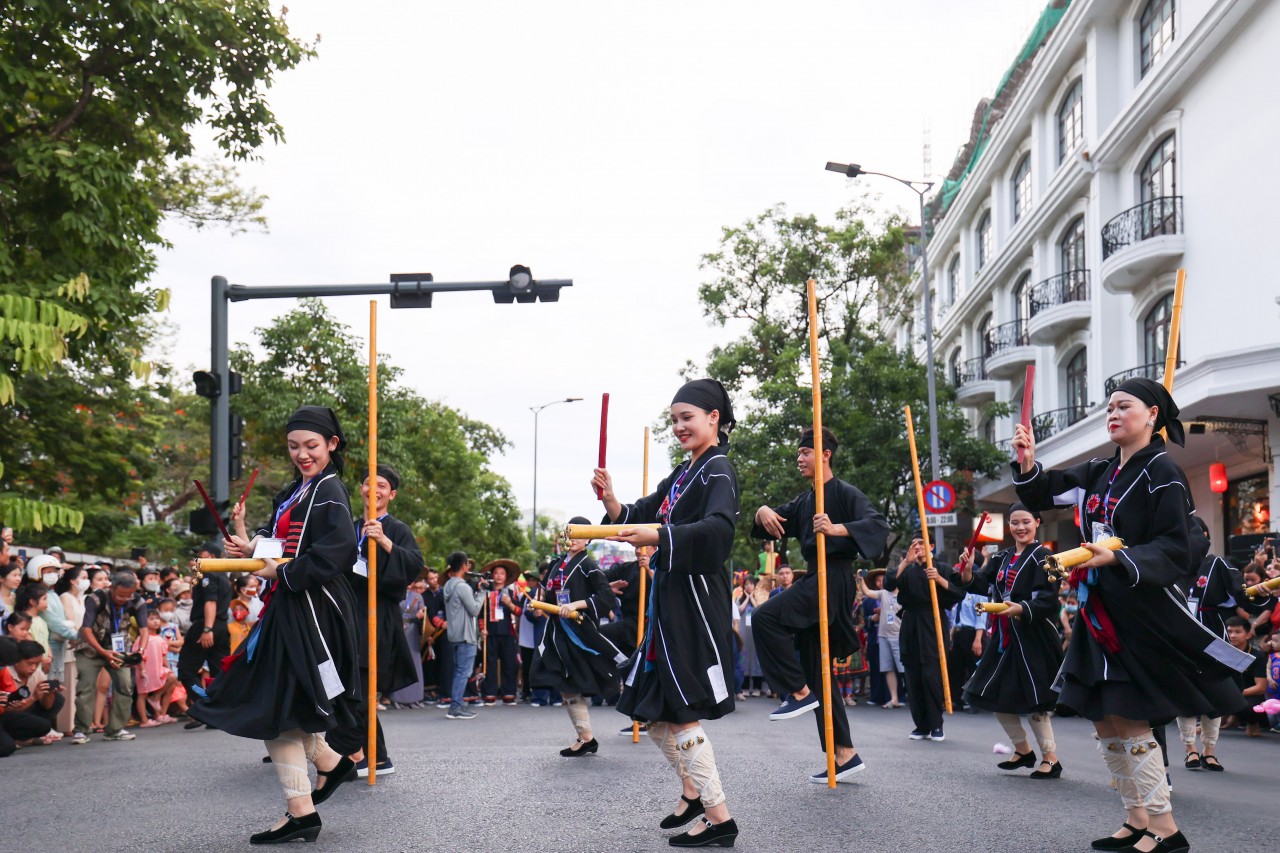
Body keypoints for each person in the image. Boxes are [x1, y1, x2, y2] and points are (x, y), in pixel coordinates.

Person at [1012, 378, 1253, 853]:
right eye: (1109, 407)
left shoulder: (1163, 471)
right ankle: (1136, 817)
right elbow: (1047, 490)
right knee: (1106, 719)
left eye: (1124, 406)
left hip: (1138, 611)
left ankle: (1166, 829)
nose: (1113, 413)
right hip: (1098, 610)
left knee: (1132, 718)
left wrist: (1118, 558)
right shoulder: (1101, 469)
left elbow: (1176, 545)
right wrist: (1027, 462)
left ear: (1153, 416)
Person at [189, 405, 363, 845]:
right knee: (281, 705)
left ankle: (308, 800)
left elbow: (340, 551)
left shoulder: (329, 491)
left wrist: (278, 572)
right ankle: (323, 773)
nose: (301, 454)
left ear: (331, 445)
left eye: (311, 446)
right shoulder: (297, 490)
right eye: (293, 446)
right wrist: (249, 547)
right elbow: (279, 543)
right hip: (290, 607)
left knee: (273, 706)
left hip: (310, 610)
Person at [592, 377, 741, 848]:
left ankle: (719, 817)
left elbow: (719, 532)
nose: (679, 426)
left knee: (682, 711)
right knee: (652, 709)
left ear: (713, 417)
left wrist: (659, 536)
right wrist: (613, 501)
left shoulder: (718, 469)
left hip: (695, 600)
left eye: (687, 418)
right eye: (674, 419)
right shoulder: (683, 473)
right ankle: (694, 791)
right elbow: (642, 512)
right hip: (668, 600)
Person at [750, 425, 890, 784]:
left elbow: (877, 525)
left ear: (825, 454)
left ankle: (796, 692)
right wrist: (762, 510)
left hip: (833, 579)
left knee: (765, 617)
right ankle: (844, 753)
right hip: (815, 578)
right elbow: (770, 523)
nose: (799, 458)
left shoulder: (845, 493)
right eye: (798, 453)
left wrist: (837, 528)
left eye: (805, 452)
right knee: (820, 677)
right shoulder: (804, 500)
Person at [326, 463, 424, 778]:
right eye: (369, 483)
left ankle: (363, 755)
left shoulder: (397, 528)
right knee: (345, 686)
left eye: (382, 485)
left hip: (377, 616)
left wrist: (384, 542)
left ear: (391, 494)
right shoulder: (349, 526)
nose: (375, 489)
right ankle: (371, 756)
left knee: (361, 688)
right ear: (362, 490)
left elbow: (413, 566)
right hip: (345, 615)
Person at [957, 503, 1063, 778]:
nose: (1020, 527)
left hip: (1033, 638)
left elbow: (1048, 600)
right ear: (1009, 527)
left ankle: (1050, 759)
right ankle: (1023, 750)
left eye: (1026, 521)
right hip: (1004, 638)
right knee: (986, 693)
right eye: (1015, 522)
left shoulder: (1045, 556)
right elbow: (978, 584)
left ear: (1037, 522)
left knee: (1036, 700)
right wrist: (968, 569)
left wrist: (1021, 608)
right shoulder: (1002, 557)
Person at [529, 518, 626, 754]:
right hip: (557, 632)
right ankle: (585, 737)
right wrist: (539, 603)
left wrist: (575, 605)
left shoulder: (588, 565)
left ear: (589, 538)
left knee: (610, 672)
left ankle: (648, 714)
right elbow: (549, 593)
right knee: (563, 682)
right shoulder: (557, 563)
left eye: (580, 535)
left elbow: (606, 598)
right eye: (571, 534)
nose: (574, 539)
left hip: (580, 631)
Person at [887, 538, 965, 742]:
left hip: (933, 621)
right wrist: (904, 562)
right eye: (914, 543)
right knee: (912, 677)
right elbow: (888, 584)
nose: (917, 547)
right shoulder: (908, 569)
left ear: (931, 547)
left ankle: (936, 725)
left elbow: (959, 593)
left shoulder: (942, 568)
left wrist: (939, 579)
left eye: (922, 543)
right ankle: (921, 725)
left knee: (931, 675)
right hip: (910, 622)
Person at [71, 571, 149, 744]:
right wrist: (102, 652)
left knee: (125, 686)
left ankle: (115, 729)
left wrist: (141, 649)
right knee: (86, 687)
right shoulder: (96, 598)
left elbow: (144, 630)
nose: (124, 599)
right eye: (121, 595)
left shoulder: (137, 601)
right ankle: (82, 730)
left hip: (119, 648)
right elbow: (86, 629)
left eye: (128, 595)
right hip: (90, 649)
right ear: (111, 587)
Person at [178, 542, 232, 731]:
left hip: (206, 625)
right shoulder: (224, 577)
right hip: (221, 627)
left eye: (202, 555)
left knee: (185, 670)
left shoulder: (209, 575)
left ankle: (204, 707)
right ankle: (219, 712)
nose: (196, 560)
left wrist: (207, 629)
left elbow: (211, 602)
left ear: (212, 557)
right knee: (219, 671)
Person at [1, 639, 65, 752]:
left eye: (37, 664)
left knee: (57, 700)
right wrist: (34, 697)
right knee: (6, 747)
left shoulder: (36, 674)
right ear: (16, 661)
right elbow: (11, 710)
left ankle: (20, 738)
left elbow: (47, 706)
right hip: (8, 715)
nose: (34, 668)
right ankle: (13, 738)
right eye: (30, 663)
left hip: (13, 713)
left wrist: (49, 692)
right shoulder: (8, 670)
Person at [441, 551, 483, 720]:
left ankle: (456, 704)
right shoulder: (463, 586)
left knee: (459, 671)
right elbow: (474, 610)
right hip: (466, 636)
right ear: (464, 565)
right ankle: (456, 706)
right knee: (463, 673)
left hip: (454, 634)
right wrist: (482, 594)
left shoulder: (449, 585)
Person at [857, 569, 903, 708]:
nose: (884, 582)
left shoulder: (904, 594)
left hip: (898, 635)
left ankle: (911, 697)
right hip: (882, 636)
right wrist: (860, 579)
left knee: (903, 669)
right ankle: (894, 698)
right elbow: (866, 592)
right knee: (888, 668)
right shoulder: (883, 594)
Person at [480, 559, 522, 706]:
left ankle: (509, 693)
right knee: (489, 664)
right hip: (490, 632)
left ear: (506, 576)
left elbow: (519, 611)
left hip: (508, 632)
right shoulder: (485, 593)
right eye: (496, 573)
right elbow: (480, 614)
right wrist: (481, 629)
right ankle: (489, 693)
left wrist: (510, 603)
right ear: (492, 575)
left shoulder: (511, 593)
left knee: (509, 663)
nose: (498, 576)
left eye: (502, 573)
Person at [134, 610, 178, 726]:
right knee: (142, 694)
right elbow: (139, 655)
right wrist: (142, 669)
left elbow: (163, 655)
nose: (155, 621)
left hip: (158, 669)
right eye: (152, 619)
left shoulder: (159, 638)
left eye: (157, 619)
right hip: (145, 670)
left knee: (172, 678)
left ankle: (160, 713)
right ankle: (144, 720)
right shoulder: (142, 639)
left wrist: (168, 668)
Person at [389, 576, 426, 708]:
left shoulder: (418, 596)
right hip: (399, 630)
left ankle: (415, 697)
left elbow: (423, 610)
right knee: (400, 662)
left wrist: (421, 612)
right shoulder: (395, 594)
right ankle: (397, 697)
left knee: (415, 663)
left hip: (413, 630)